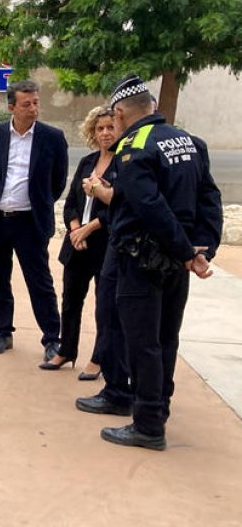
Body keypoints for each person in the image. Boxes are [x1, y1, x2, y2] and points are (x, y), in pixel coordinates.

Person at [89, 76, 221, 451]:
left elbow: (149, 207)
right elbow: (209, 196)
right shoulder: (190, 142)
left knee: (143, 342)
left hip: (144, 259)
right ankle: (158, 409)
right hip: (179, 263)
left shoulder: (135, 146)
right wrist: (201, 248)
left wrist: (184, 251)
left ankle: (147, 424)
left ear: (119, 113)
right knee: (166, 338)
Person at [0, 80, 67, 360]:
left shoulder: (52, 137)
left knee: (40, 282)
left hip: (30, 222)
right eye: (27, 104)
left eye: (36, 103)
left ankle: (52, 338)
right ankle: (3, 333)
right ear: (11, 107)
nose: (33, 109)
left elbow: (57, 182)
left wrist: (38, 203)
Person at [41, 107, 116, 372]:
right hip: (77, 243)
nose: (105, 133)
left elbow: (119, 207)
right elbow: (71, 201)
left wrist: (90, 228)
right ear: (92, 132)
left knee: (104, 305)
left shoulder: (125, 162)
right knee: (71, 299)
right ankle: (66, 350)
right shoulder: (87, 162)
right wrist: (75, 229)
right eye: (100, 128)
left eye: (110, 127)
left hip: (104, 244)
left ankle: (98, 358)